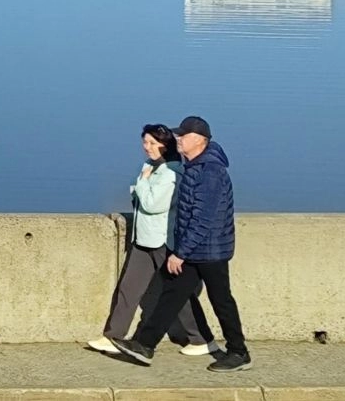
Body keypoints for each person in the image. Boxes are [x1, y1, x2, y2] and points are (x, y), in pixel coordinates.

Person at [110, 116, 252, 373]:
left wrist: (179, 253)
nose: (178, 140)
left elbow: (203, 218)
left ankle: (238, 352)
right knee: (173, 294)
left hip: (210, 251)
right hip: (195, 250)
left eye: (183, 136)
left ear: (199, 140)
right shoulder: (195, 166)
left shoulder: (210, 172)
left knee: (221, 300)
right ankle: (145, 345)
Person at [87, 124, 217, 357]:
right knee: (128, 289)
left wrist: (142, 184)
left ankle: (202, 339)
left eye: (152, 143)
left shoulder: (171, 173)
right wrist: (142, 184)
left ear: (164, 146)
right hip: (143, 239)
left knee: (179, 294)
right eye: (145, 142)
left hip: (163, 241)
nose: (146, 148)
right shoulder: (150, 168)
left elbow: (152, 204)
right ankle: (113, 336)